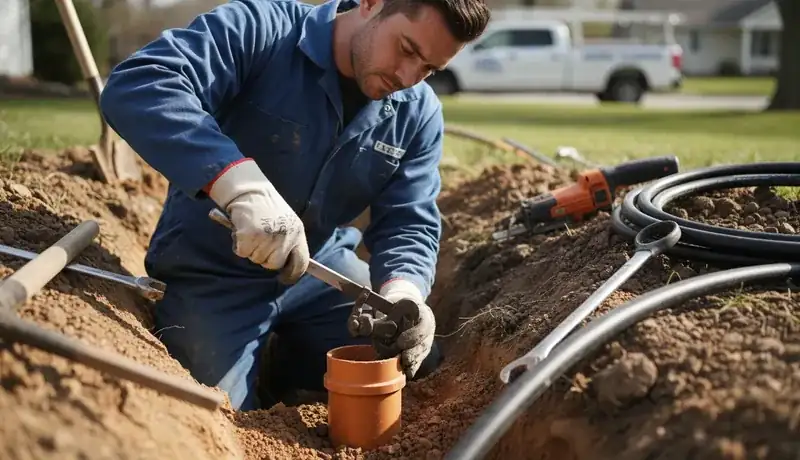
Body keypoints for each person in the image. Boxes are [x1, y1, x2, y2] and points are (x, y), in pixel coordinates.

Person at [99, 0, 491, 411]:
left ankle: (286, 368)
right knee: (213, 411)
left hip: (321, 268)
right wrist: (240, 187)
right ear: (371, 4)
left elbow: (409, 220)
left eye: (429, 68)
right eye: (407, 50)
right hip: (214, 272)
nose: (408, 77)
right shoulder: (260, 30)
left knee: (410, 365)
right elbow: (141, 83)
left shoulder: (419, 112)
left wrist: (404, 289)